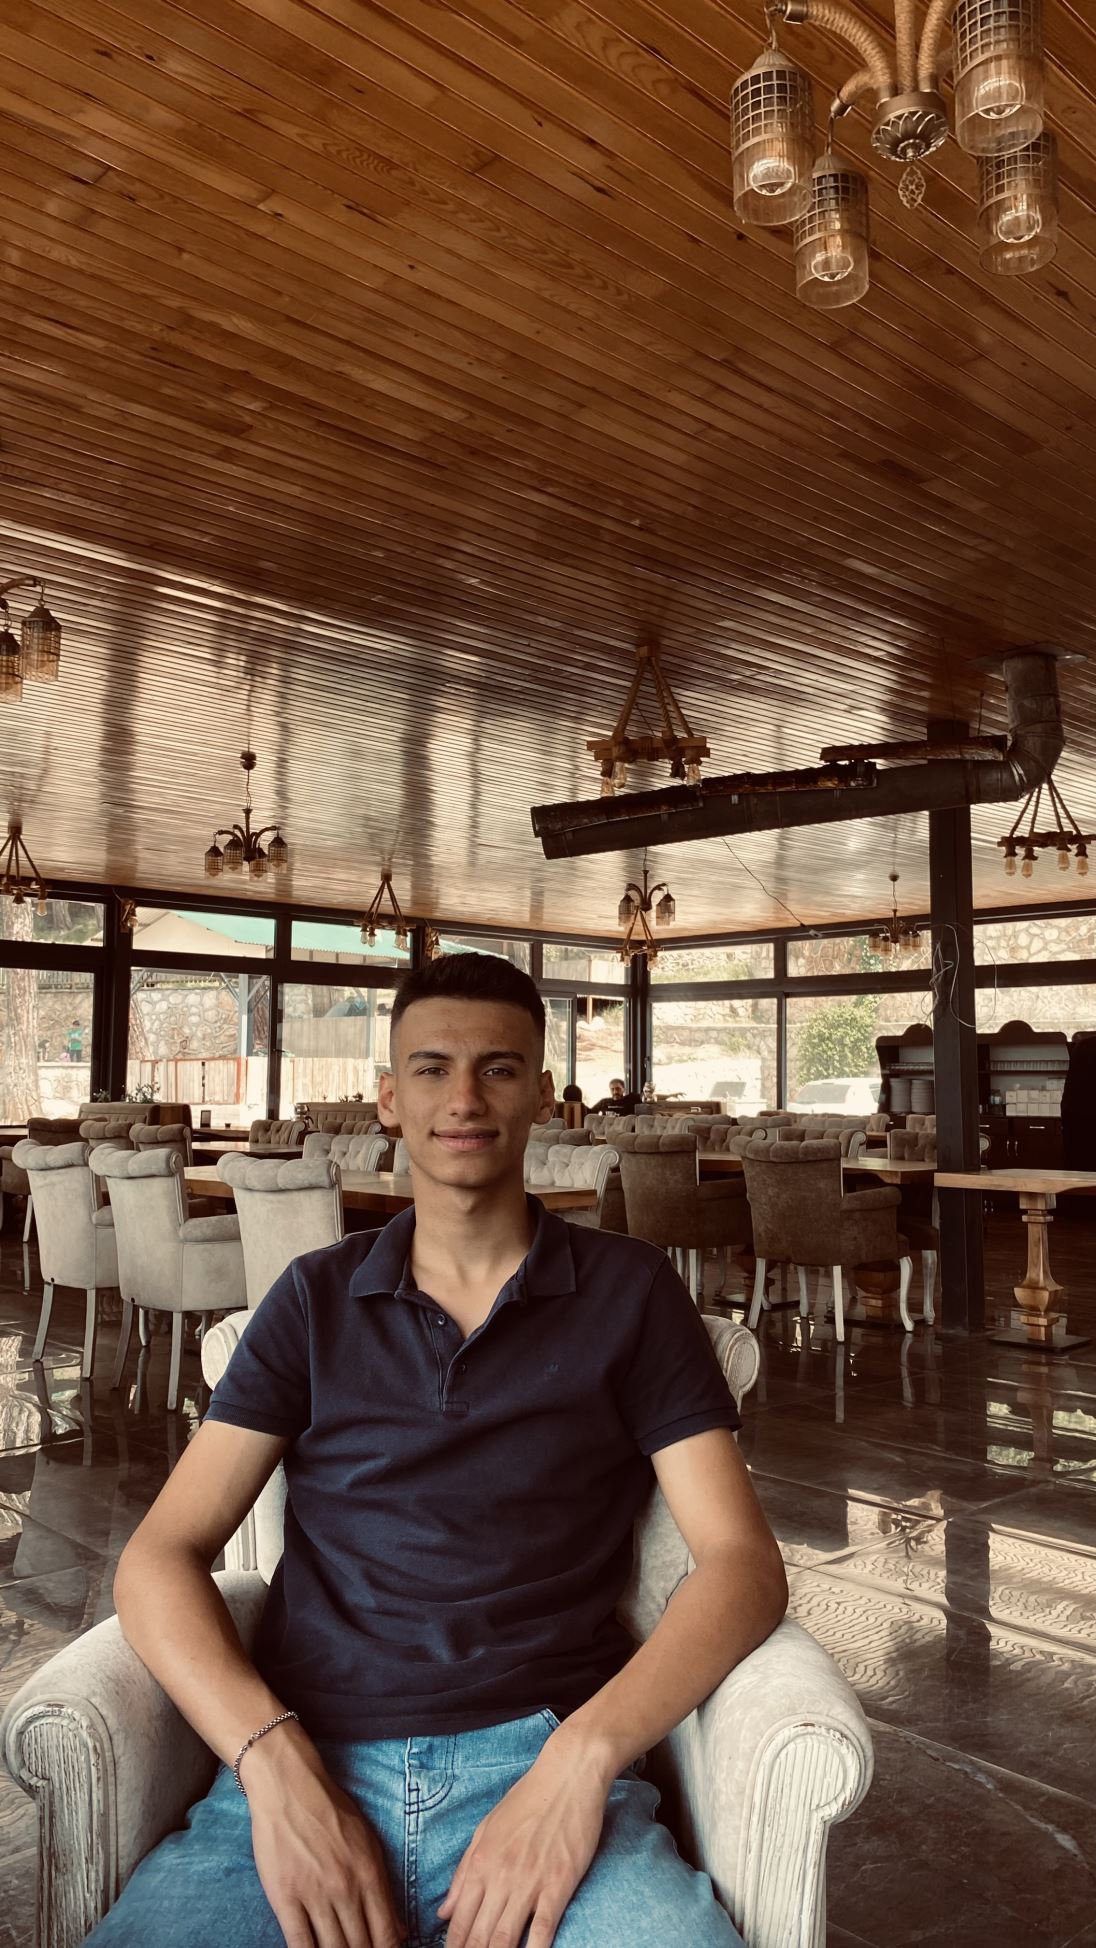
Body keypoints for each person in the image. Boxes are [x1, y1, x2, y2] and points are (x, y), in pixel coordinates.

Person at [90, 953, 787, 1948]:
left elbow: (743, 1564)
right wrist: (273, 1766)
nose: (463, 1098)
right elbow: (160, 1555)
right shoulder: (312, 1299)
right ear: (389, 1097)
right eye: (431, 1068)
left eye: (498, 1068)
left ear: (544, 1094)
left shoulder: (631, 1292)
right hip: (309, 1762)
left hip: (545, 1764)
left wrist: (582, 1760)